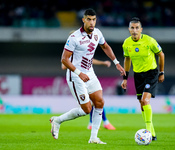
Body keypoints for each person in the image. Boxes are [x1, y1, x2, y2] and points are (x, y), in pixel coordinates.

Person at [50, 8, 125, 144]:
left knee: (100, 102)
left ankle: (93, 138)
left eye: (94, 19)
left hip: (90, 73)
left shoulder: (97, 33)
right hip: (75, 76)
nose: (91, 22)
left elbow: (105, 46)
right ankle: (57, 120)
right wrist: (79, 73)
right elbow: (64, 59)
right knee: (86, 109)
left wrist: (116, 62)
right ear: (83, 20)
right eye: (89, 19)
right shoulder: (74, 37)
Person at [121, 17, 165, 141]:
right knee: (142, 104)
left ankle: (148, 133)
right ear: (129, 29)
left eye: (137, 28)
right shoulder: (126, 43)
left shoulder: (150, 41)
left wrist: (161, 72)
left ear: (141, 29)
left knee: (145, 100)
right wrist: (125, 78)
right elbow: (127, 59)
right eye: (132, 28)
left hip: (151, 73)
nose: (134, 30)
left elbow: (161, 54)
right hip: (138, 75)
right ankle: (153, 132)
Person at [62, 59, 116, 130]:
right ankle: (102, 123)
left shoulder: (82, 52)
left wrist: (102, 62)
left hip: (87, 79)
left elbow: (89, 59)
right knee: (93, 103)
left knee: (97, 101)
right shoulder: (70, 52)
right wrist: (76, 64)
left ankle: (96, 123)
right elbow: (64, 66)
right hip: (78, 81)